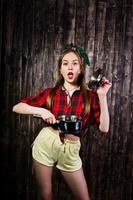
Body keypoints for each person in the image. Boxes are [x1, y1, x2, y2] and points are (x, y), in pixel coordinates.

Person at [12, 44, 112, 200]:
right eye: (65, 63)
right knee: (46, 195)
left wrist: (102, 96)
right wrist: (42, 110)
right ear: (60, 69)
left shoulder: (91, 97)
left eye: (75, 63)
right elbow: (17, 107)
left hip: (71, 150)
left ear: (81, 69)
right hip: (46, 143)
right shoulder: (50, 93)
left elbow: (104, 128)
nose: (70, 67)